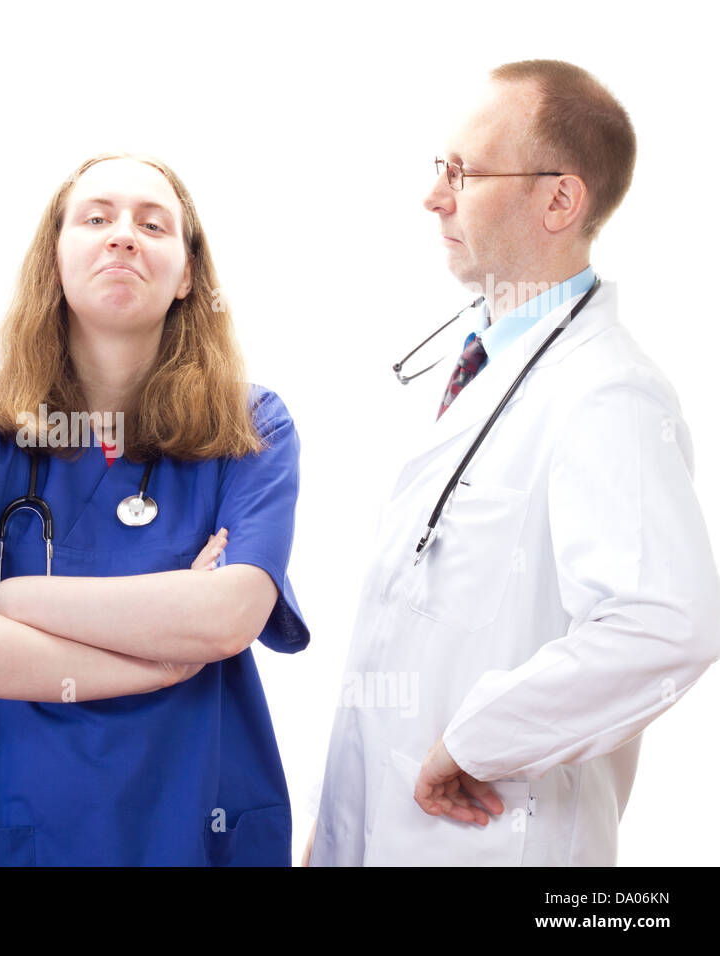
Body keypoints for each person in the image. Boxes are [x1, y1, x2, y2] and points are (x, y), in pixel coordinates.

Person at [308, 60, 720, 867]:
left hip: (491, 838)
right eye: (440, 169)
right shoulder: (489, 368)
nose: (434, 197)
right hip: (380, 832)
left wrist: (477, 741)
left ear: (560, 199)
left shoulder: (610, 391)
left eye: (462, 172)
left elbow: (668, 623)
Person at [0, 153, 309, 866]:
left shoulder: (250, 427)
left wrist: (10, 598)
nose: (123, 235)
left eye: (153, 224)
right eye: (96, 218)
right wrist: (162, 661)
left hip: (192, 821)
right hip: (4, 826)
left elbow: (229, 616)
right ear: (55, 258)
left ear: (189, 273)